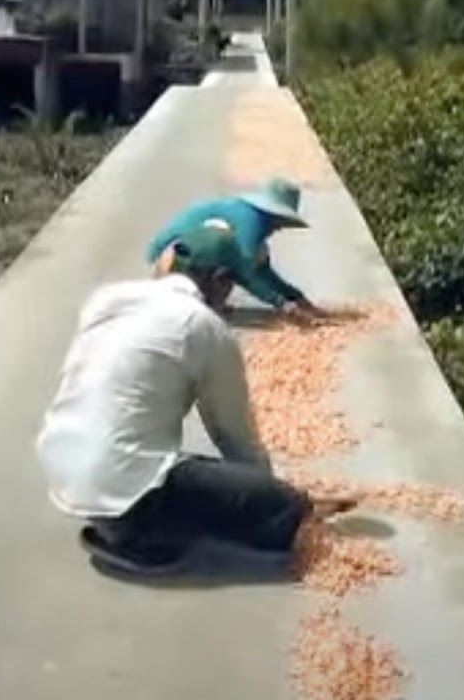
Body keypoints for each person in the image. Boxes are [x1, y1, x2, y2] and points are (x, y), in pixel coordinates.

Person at [37, 223, 355, 575]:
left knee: (165, 459)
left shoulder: (107, 299)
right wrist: (274, 495)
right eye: (230, 284)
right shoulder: (204, 327)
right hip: (127, 491)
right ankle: (138, 537)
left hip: (62, 466)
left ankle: (115, 522)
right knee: (276, 507)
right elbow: (234, 437)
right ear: (220, 279)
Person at [146, 176, 327, 321]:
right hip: (170, 263)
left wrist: (295, 296)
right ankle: (199, 306)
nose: (280, 228)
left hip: (173, 262)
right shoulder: (252, 221)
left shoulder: (245, 217)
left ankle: (200, 301)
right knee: (228, 270)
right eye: (281, 221)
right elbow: (247, 274)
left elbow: (262, 269)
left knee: (236, 260)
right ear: (273, 213)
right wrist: (285, 304)